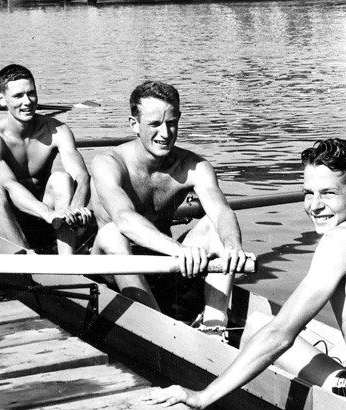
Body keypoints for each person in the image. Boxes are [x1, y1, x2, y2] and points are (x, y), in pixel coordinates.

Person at [142, 138, 346, 409]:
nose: (313, 206)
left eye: (328, 193)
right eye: (308, 192)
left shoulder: (341, 239)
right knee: (263, 323)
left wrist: (203, 396)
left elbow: (281, 336)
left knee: (258, 330)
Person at [88, 80, 253, 328]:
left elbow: (221, 213)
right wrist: (179, 250)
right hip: (111, 271)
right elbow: (124, 218)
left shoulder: (194, 166)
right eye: (154, 124)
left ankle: (214, 323)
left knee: (211, 226)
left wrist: (233, 247)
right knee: (112, 232)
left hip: (162, 266)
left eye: (172, 123)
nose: (165, 134)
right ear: (134, 124)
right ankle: (159, 331)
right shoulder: (109, 163)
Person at [0, 64, 91, 255]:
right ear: (1, 99)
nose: (27, 101)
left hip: (44, 218)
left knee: (61, 178)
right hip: (3, 216)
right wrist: (48, 213)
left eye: (31, 93)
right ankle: (26, 258)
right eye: (18, 96)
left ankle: (67, 261)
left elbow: (81, 175)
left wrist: (76, 208)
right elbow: (10, 185)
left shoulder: (57, 130)